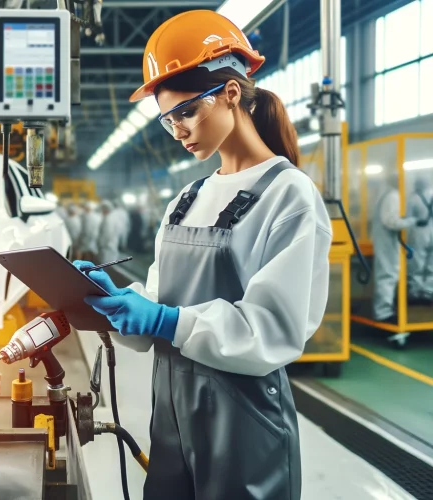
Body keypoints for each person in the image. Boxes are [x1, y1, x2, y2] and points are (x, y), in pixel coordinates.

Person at [75, 10, 332, 499]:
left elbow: (273, 330)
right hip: (170, 414)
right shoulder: (185, 199)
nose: (178, 130)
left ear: (231, 94)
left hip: (244, 420)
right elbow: (159, 301)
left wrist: (165, 320)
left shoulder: (289, 196)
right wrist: (118, 303)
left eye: (187, 112)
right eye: (168, 119)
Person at [371, 173, 420, 322]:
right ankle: (383, 313)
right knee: (388, 275)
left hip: (384, 240)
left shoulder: (385, 194)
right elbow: (391, 222)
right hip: (387, 241)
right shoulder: (393, 196)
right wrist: (412, 221)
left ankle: (384, 309)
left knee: (386, 274)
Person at [408, 176, 433, 304]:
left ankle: (416, 291)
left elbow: (408, 217)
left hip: (419, 231)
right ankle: (429, 291)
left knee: (417, 263)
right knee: (431, 263)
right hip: (432, 229)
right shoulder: (432, 194)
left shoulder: (413, 198)